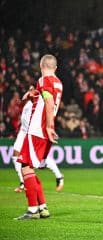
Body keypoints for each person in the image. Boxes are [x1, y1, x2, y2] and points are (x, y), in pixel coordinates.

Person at [15, 54, 63, 220]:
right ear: (55, 67)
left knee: (25, 167)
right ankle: (42, 207)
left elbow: (48, 103)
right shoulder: (58, 83)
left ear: (41, 66)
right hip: (44, 132)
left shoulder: (44, 80)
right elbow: (43, 98)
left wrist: (49, 126)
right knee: (29, 167)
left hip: (37, 130)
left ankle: (32, 210)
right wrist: (31, 94)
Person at [13, 87, 64, 193]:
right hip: (23, 132)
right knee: (16, 155)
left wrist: (49, 128)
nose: (30, 91)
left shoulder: (40, 102)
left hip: (33, 132)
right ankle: (23, 182)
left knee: (40, 162)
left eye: (32, 90)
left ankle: (59, 176)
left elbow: (46, 115)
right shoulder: (29, 102)